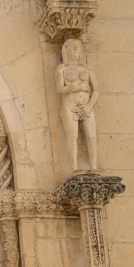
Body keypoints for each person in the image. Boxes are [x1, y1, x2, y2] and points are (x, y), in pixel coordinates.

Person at [56, 39, 99, 172]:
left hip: (86, 106)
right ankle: (74, 168)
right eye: (73, 48)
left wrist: (89, 106)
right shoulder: (62, 69)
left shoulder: (86, 69)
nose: (76, 51)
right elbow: (60, 89)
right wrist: (78, 86)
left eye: (78, 48)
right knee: (72, 136)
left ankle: (94, 167)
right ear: (66, 50)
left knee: (91, 135)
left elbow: (96, 89)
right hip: (69, 105)